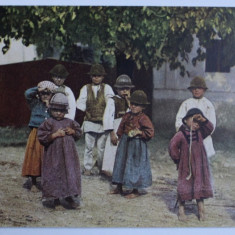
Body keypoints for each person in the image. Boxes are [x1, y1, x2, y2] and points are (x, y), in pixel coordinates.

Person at [37, 93, 82, 209]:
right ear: (51, 109)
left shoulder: (69, 122)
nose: (58, 113)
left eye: (61, 111)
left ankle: (69, 196)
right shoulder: (48, 123)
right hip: (54, 155)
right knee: (54, 173)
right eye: (56, 110)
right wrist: (55, 135)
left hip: (68, 155)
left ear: (65, 111)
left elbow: (78, 132)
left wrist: (73, 131)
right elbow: (42, 136)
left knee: (69, 173)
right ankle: (54, 198)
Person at [169, 108, 214, 221]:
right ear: (185, 121)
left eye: (198, 123)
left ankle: (201, 210)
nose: (196, 124)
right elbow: (172, 146)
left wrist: (203, 120)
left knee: (199, 185)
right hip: (186, 166)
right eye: (193, 121)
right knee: (184, 187)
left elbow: (210, 128)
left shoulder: (200, 133)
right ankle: (181, 210)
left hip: (199, 166)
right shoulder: (181, 134)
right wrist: (177, 159)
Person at [110, 90, 154, 199]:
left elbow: (150, 131)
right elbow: (121, 126)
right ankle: (119, 186)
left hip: (137, 145)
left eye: (137, 105)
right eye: (132, 104)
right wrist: (119, 136)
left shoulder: (144, 118)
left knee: (134, 165)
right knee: (121, 162)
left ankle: (135, 189)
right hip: (125, 143)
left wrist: (140, 132)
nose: (133, 106)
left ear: (143, 106)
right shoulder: (127, 115)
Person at [76, 63, 115, 176]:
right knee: (88, 146)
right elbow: (80, 104)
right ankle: (88, 167)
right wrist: (86, 109)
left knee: (101, 147)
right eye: (94, 75)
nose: (96, 77)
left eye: (98, 75)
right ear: (91, 76)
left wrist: (107, 117)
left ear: (103, 77)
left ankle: (101, 166)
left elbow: (111, 103)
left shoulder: (107, 88)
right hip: (89, 121)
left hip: (102, 123)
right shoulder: (85, 88)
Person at [22, 81, 57, 191]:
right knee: (34, 156)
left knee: (45, 156)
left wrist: (49, 106)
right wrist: (38, 88)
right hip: (36, 132)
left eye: (48, 93)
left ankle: (44, 180)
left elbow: (56, 117)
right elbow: (27, 93)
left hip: (48, 134)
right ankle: (33, 179)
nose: (45, 96)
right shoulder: (35, 103)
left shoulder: (53, 106)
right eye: (43, 93)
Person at [101, 74, 135, 177]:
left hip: (126, 128)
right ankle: (112, 172)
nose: (124, 91)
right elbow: (108, 117)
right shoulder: (113, 100)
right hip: (115, 127)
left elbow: (132, 114)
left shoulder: (131, 102)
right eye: (122, 89)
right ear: (117, 89)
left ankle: (123, 171)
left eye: (127, 89)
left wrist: (129, 103)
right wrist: (111, 133)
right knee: (113, 150)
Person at [175, 76, 216, 158]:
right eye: (194, 88)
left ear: (204, 90)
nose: (196, 90)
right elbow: (179, 120)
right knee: (189, 162)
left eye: (199, 88)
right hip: (189, 137)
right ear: (191, 90)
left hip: (204, 139)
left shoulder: (208, 105)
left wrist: (201, 134)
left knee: (204, 164)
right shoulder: (186, 104)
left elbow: (212, 124)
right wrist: (186, 132)